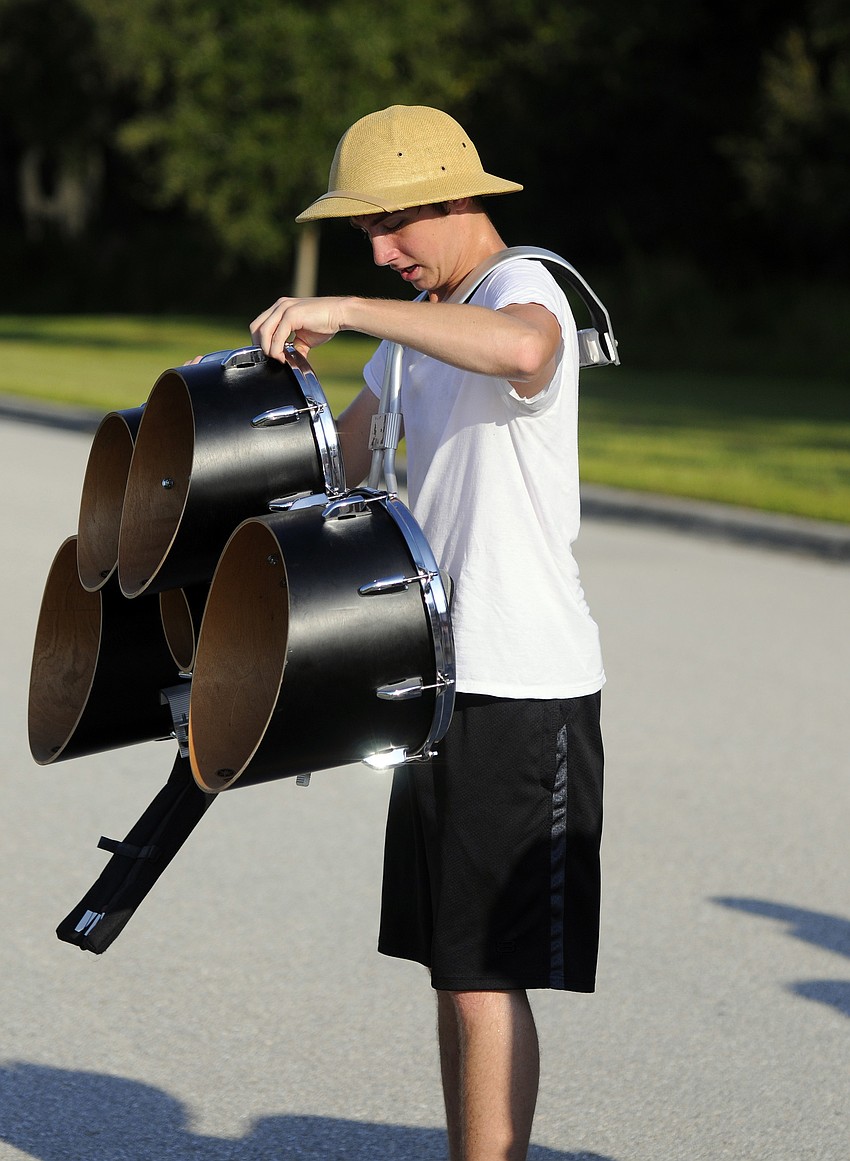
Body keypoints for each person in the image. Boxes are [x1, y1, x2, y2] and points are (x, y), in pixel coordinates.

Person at [251, 105, 605, 1161]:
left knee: (486, 973)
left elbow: (524, 349)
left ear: (452, 200)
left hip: (524, 683)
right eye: (365, 234)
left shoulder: (521, 285)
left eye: (390, 226)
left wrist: (350, 307)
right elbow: (333, 467)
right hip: (442, 681)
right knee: (457, 971)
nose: (379, 253)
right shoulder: (420, 332)